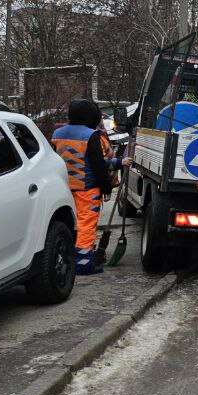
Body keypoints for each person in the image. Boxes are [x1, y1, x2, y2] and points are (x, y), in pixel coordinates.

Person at [52, 100, 120, 276]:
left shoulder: (57, 133)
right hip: (87, 189)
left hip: (62, 188)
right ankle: (83, 264)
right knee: (86, 224)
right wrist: (106, 187)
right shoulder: (91, 136)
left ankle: (66, 258)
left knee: (68, 224)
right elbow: (98, 165)